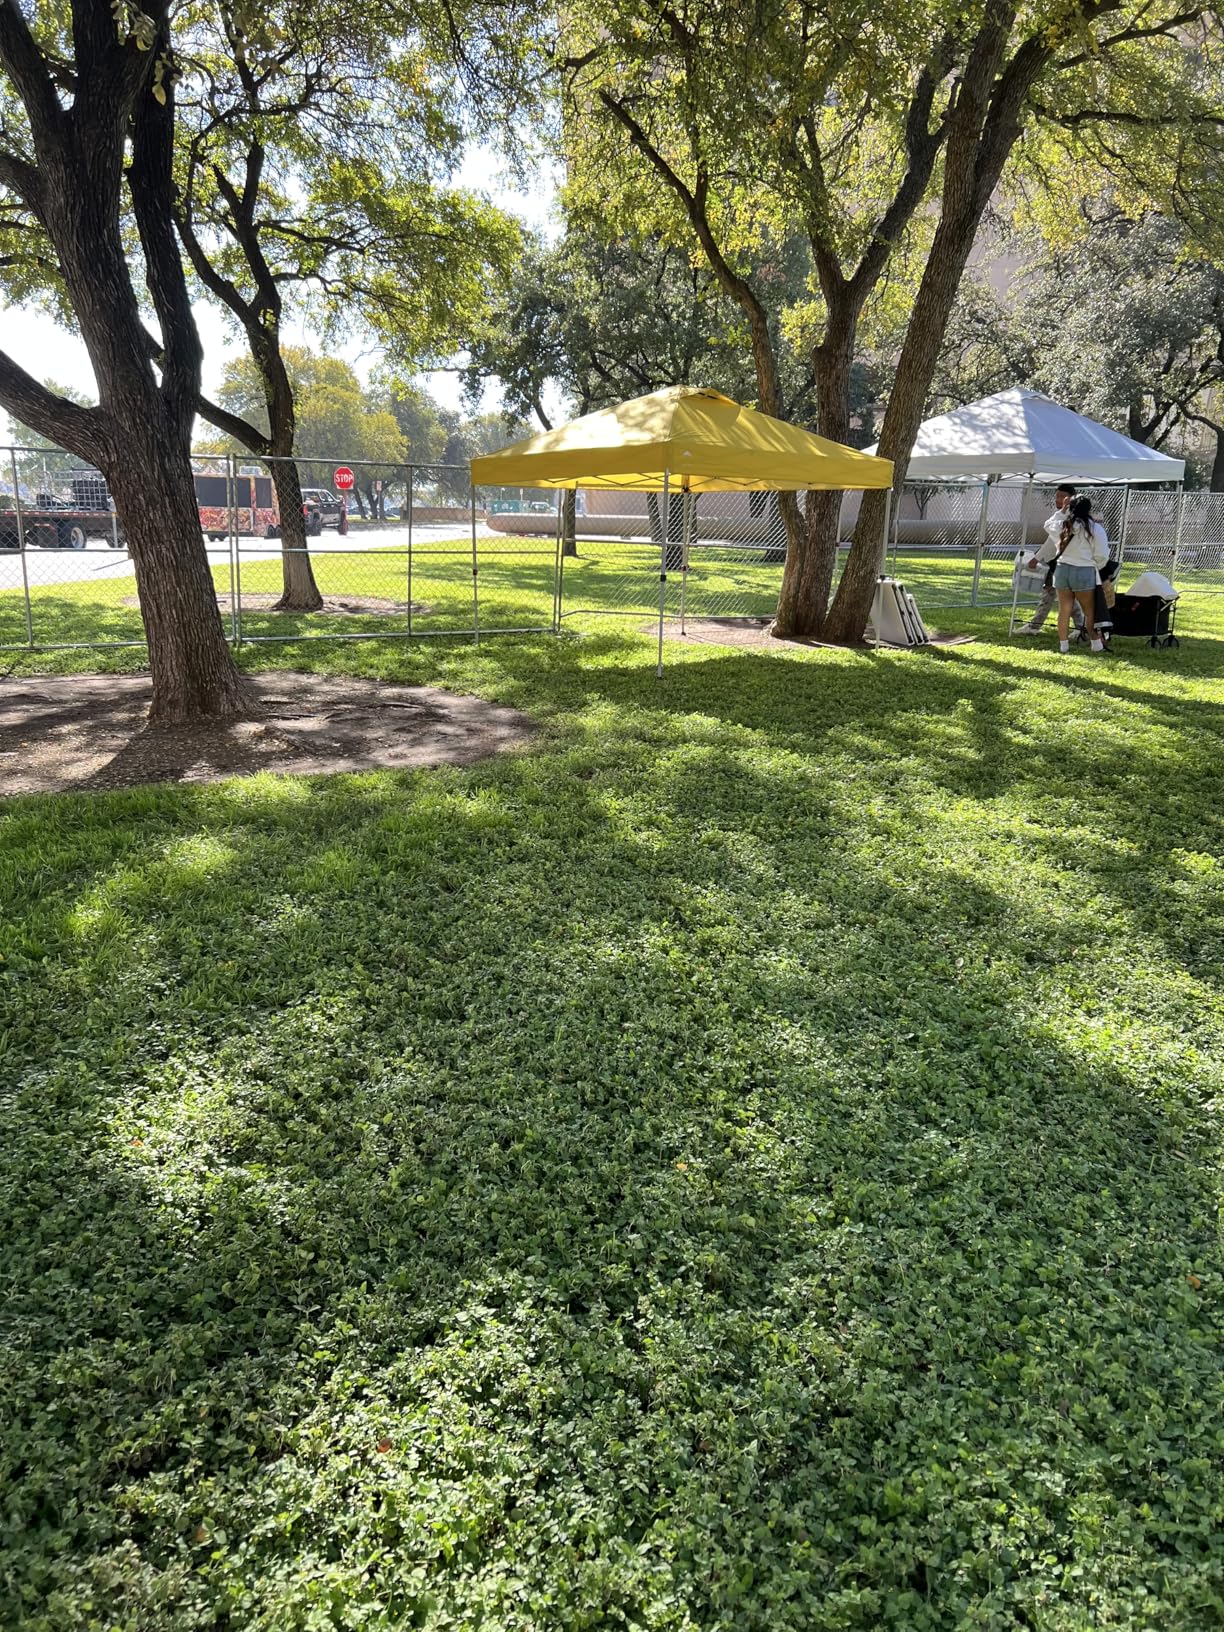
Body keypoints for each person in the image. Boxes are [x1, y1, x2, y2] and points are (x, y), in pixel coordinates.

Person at [1015, 484, 1083, 634]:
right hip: (1060, 563)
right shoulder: (1063, 514)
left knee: (1058, 595)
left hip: (1064, 564)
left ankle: (1079, 628)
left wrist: (1036, 558)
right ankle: (1079, 627)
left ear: (1070, 498)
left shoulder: (1069, 516)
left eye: (1062, 496)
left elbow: (1052, 541)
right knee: (1055, 594)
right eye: (1057, 495)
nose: (1058, 499)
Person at [1053, 494, 1109, 653]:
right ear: (1089, 509)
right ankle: (1096, 645)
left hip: (1062, 568)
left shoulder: (1063, 525)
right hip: (1084, 570)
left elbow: (1048, 524)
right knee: (1089, 611)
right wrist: (1095, 565)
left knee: (1064, 609)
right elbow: (1102, 555)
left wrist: (1062, 511)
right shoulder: (1095, 529)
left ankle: (1063, 646)